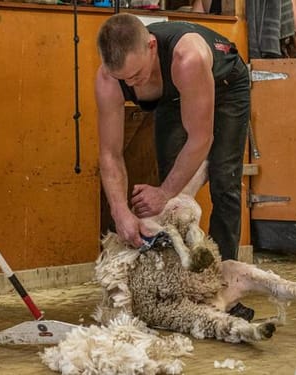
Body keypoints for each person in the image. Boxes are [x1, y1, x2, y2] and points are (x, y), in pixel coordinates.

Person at [95, 14, 254, 318]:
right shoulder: (108, 79)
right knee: (173, 191)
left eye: (137, 74)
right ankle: (179, 289)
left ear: (151, 46)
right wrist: (121, 213)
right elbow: (110, 154)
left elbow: (200, 139)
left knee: (224, 180)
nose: (131, 84)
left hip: (226, 85)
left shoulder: (187, 57)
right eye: (123, 79)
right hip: (172, 95)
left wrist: (164, 192)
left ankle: (223, 291)